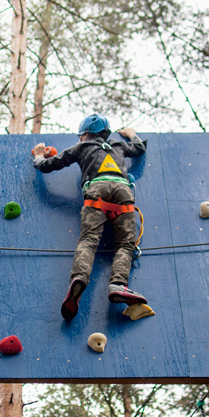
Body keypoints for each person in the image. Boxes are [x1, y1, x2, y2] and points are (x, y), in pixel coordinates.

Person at [31, 113, 147, 321]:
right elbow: (139, 149)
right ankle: (118, 284)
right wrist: (132, 134)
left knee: (88, 241)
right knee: (125, 244)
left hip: (96, 193)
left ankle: (79, 279)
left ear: (85, 134)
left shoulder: (81, 148)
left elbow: (49, 165)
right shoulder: (118, 146)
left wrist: (39, 156)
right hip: (123, 193)